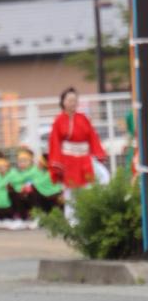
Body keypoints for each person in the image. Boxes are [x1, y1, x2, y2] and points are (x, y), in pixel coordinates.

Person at [48, 88, 107, 219]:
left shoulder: (83, 118)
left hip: (85, 159)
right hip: (68, 161)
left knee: (100, 179)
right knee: (71, 192)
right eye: (70, 100)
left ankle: (90, 217)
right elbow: (54, 142)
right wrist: (57, 162)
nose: (73, 103)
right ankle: (72, 223)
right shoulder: (58, 121)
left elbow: (93, 137)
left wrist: (98, 153)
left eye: (75, 100)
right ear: (63, 102)